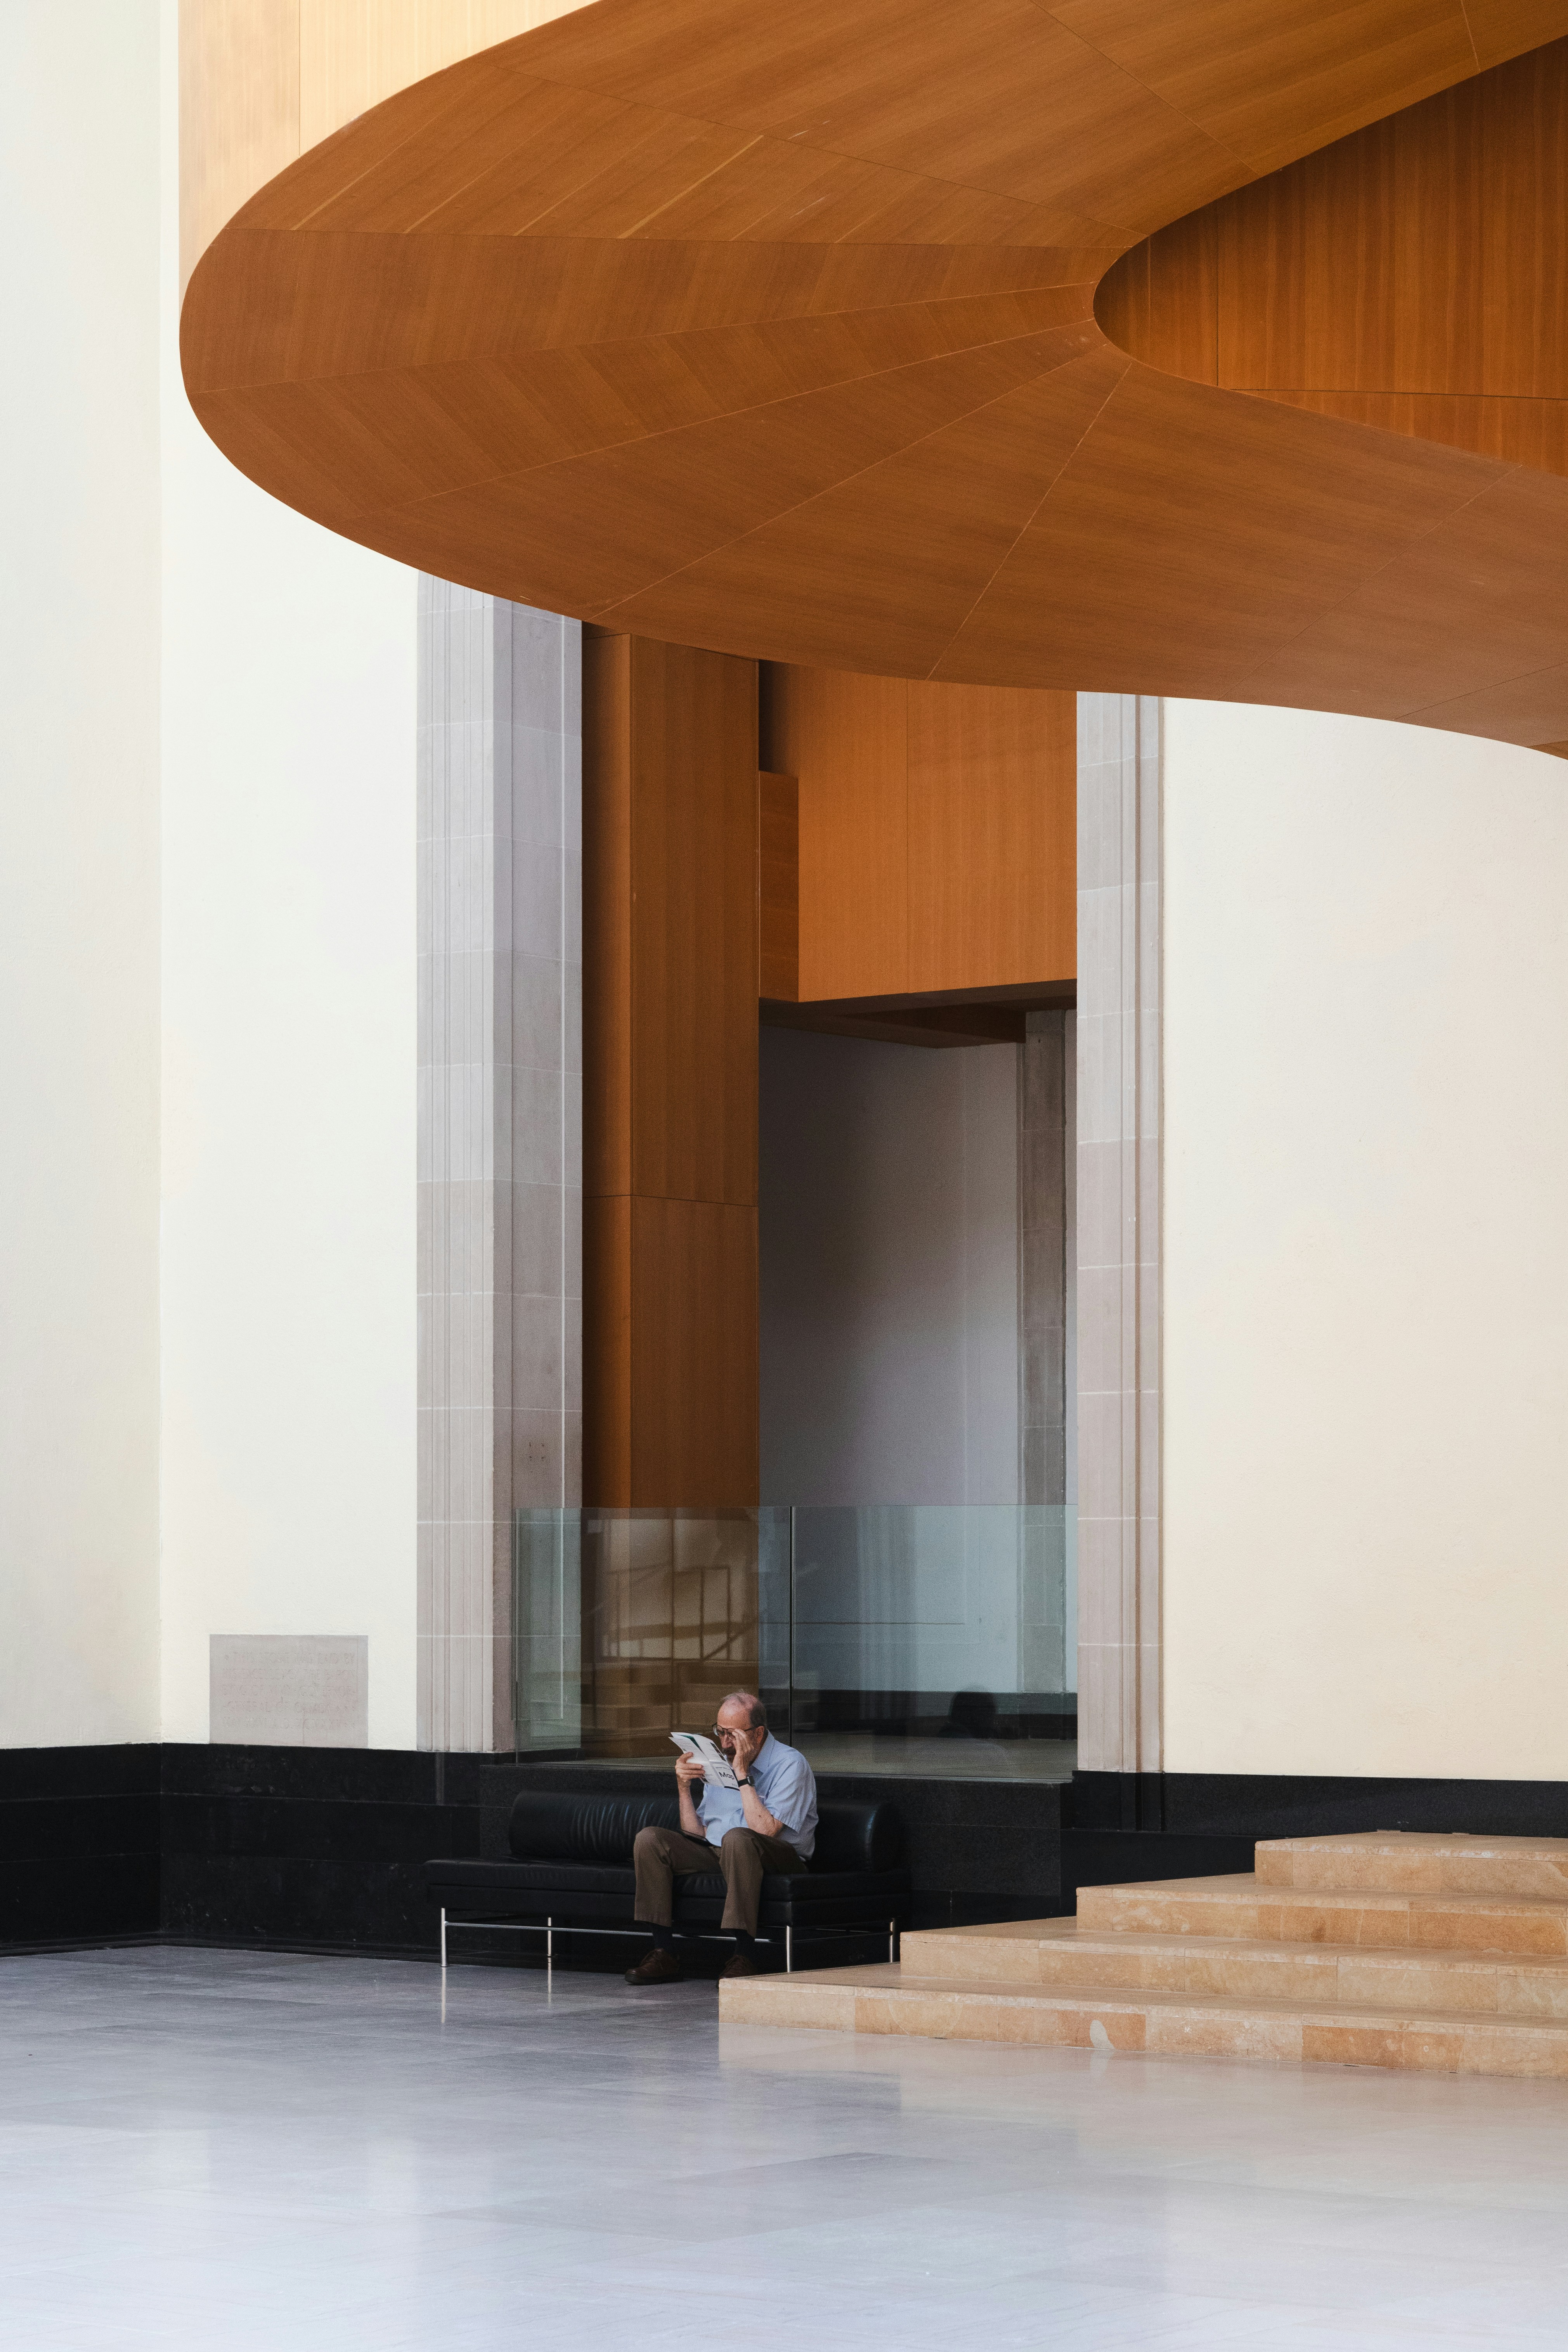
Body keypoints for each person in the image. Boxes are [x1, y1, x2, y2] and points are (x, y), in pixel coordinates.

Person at [625, 1691, 817, 1983]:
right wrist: (683, 1787)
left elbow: (766, 1832)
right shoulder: (720, 1761)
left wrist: (742, 1774)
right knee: (650, 1839)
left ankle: (744, 1956)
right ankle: (663, 1952)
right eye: (720, 1732)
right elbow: (695, 1833)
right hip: (720, 1850)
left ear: (758, 1733)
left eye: (733, 1734)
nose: (725, 1743)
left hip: (778, 1856)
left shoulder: (790, 1764)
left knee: (738, 1838)